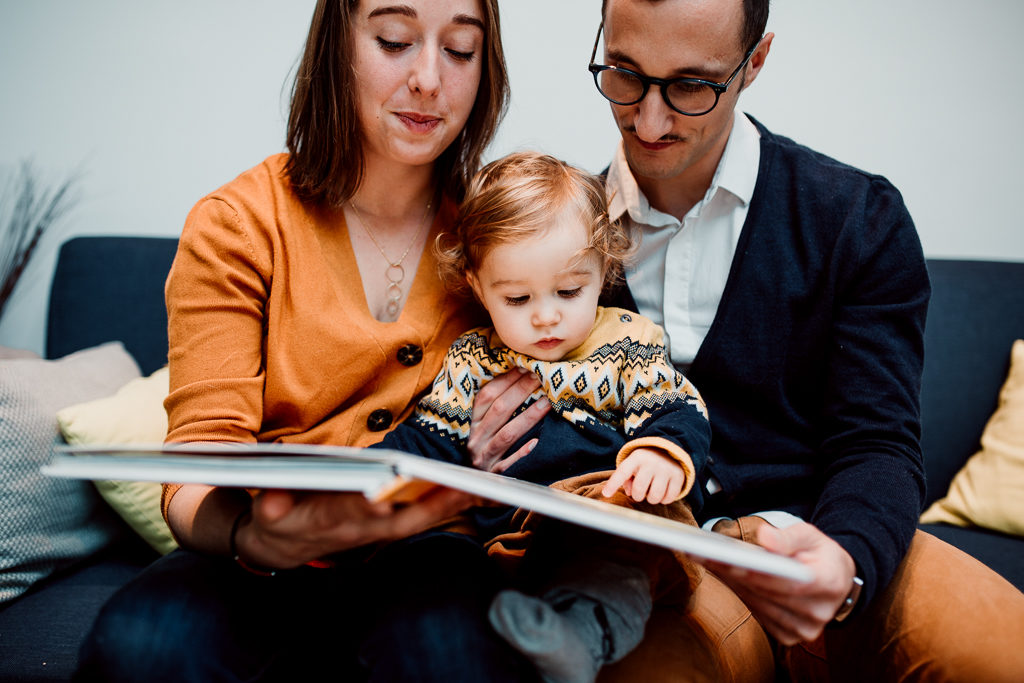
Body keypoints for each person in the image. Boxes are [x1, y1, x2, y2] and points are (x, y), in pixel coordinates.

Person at [470, 1, 1024, 681]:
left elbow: (876, 442)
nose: (649, 119)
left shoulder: (857, 219)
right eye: (624, 74)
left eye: (691, 87)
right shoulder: (541, 252)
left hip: (824, 539)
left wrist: (844, 561)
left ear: (753, 62)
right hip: (657, 580)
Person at [74, 2, 549, 681]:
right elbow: (194, 470)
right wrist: (252, 535)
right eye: (394, 40)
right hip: (256, 554)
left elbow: (587, 366)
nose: (428, 79)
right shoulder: (238, 224)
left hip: (430, 552)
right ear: (338, 47)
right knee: (142, 646)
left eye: (461, 50)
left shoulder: (502, 231)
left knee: (454, 656)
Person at [373, 150, 710, 683]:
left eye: (569, 291)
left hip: (605, 517)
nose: (547, 315)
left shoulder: (625, 344)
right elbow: (427, 439)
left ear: (605, 269)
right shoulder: (474, 359)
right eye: (518, 298)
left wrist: (657, 451)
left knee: (617, 561)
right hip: (511, 539)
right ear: (478, 286)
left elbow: (676, 408)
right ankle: (530, 636)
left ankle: (578, 639)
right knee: (446, 578)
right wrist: (360, 476)